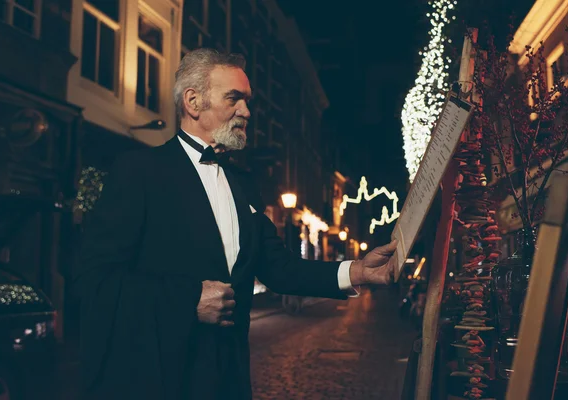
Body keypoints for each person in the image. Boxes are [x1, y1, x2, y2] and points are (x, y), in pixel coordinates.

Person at [73, 48, 399, 400]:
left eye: (247, 100)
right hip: (158, 380)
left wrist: (359, 272)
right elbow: (94, 281)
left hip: (228, 381)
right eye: (234, 99)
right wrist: (187, 300)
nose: (247, 111)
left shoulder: (243, 184)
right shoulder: (139, 172)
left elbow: (280, 268)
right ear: (194, 102)